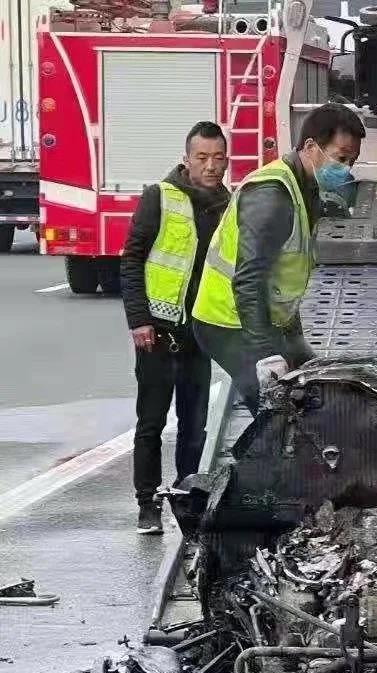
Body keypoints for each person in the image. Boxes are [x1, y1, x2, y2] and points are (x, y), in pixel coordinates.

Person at [193, 103, 365, 414]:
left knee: (314, 388)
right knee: (276, 412)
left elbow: (283, 278)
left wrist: (294, 340)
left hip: (261, 320)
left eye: (351, 161)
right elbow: (248, 281)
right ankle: (257, 460)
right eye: (340, 158)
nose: (346, 169)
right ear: (311, 147)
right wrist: (266, 354)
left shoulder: (305, 186)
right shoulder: (272, 197)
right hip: (227, 322)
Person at [120, 121, 229, 534]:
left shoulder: (227, 205)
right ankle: (147, 504)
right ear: (187, 159)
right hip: (158, 331)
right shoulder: (160, 197)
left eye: (218, 158)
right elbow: (131, 260)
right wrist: (139, 320)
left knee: (194, 422)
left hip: (199, 332)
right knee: (151, 421)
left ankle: (185, 496)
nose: (211, 166)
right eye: (202, 157)